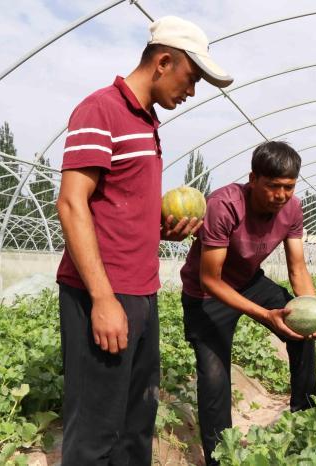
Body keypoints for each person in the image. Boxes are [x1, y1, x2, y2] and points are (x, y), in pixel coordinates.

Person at [55, 16, 232, 465]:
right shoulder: (101, 109)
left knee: (137, 421)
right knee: (96, 427)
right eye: (191, 79)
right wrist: (102, 298)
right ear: (164, 61)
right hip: (103, 291)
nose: (191, 92)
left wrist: (161, 227)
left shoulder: (147, 123)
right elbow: (72, 204)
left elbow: (120, 207)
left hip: (141, 291)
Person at [179, 141, 316, 465]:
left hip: (249, 281)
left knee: (301, 331)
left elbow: (298, 268)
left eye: (288, 187)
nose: (280, 195)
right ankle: (222, 457)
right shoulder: (224, 205)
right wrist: (264, 314)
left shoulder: (292, 209)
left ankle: (305, 420)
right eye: (272, 186)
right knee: (214, 376)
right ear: (253, 179)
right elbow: (210, 278)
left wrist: (314, 310)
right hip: (207, 294)